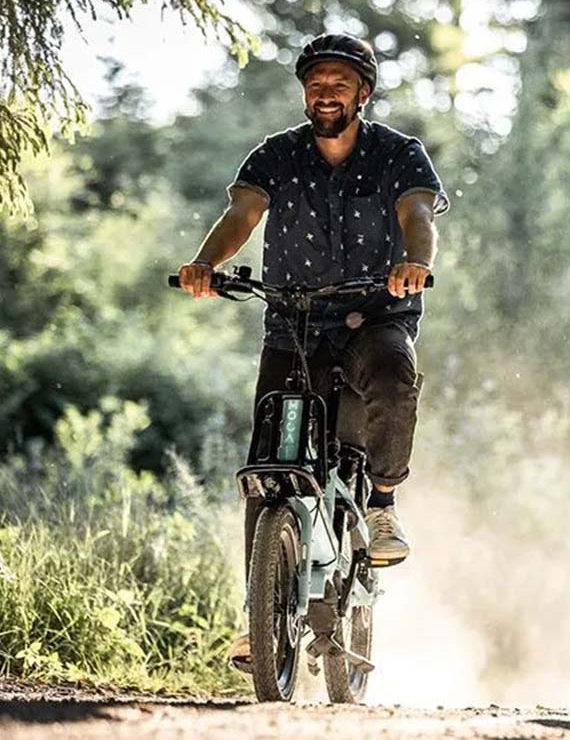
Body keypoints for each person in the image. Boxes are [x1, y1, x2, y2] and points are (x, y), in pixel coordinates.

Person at [175, 33, 449, 670]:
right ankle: (260, 615)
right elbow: (244, 214)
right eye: (316, 82)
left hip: (374, 314)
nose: (326, 93)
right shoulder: (277, 154)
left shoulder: (397, 154)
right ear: (305, 91)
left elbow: (419, 215)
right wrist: (206, 264)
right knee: (266, 468)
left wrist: (415, 263)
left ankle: (381, 504)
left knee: (394, 377)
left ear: (363, 92)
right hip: (293, 323)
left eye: (340, 83)